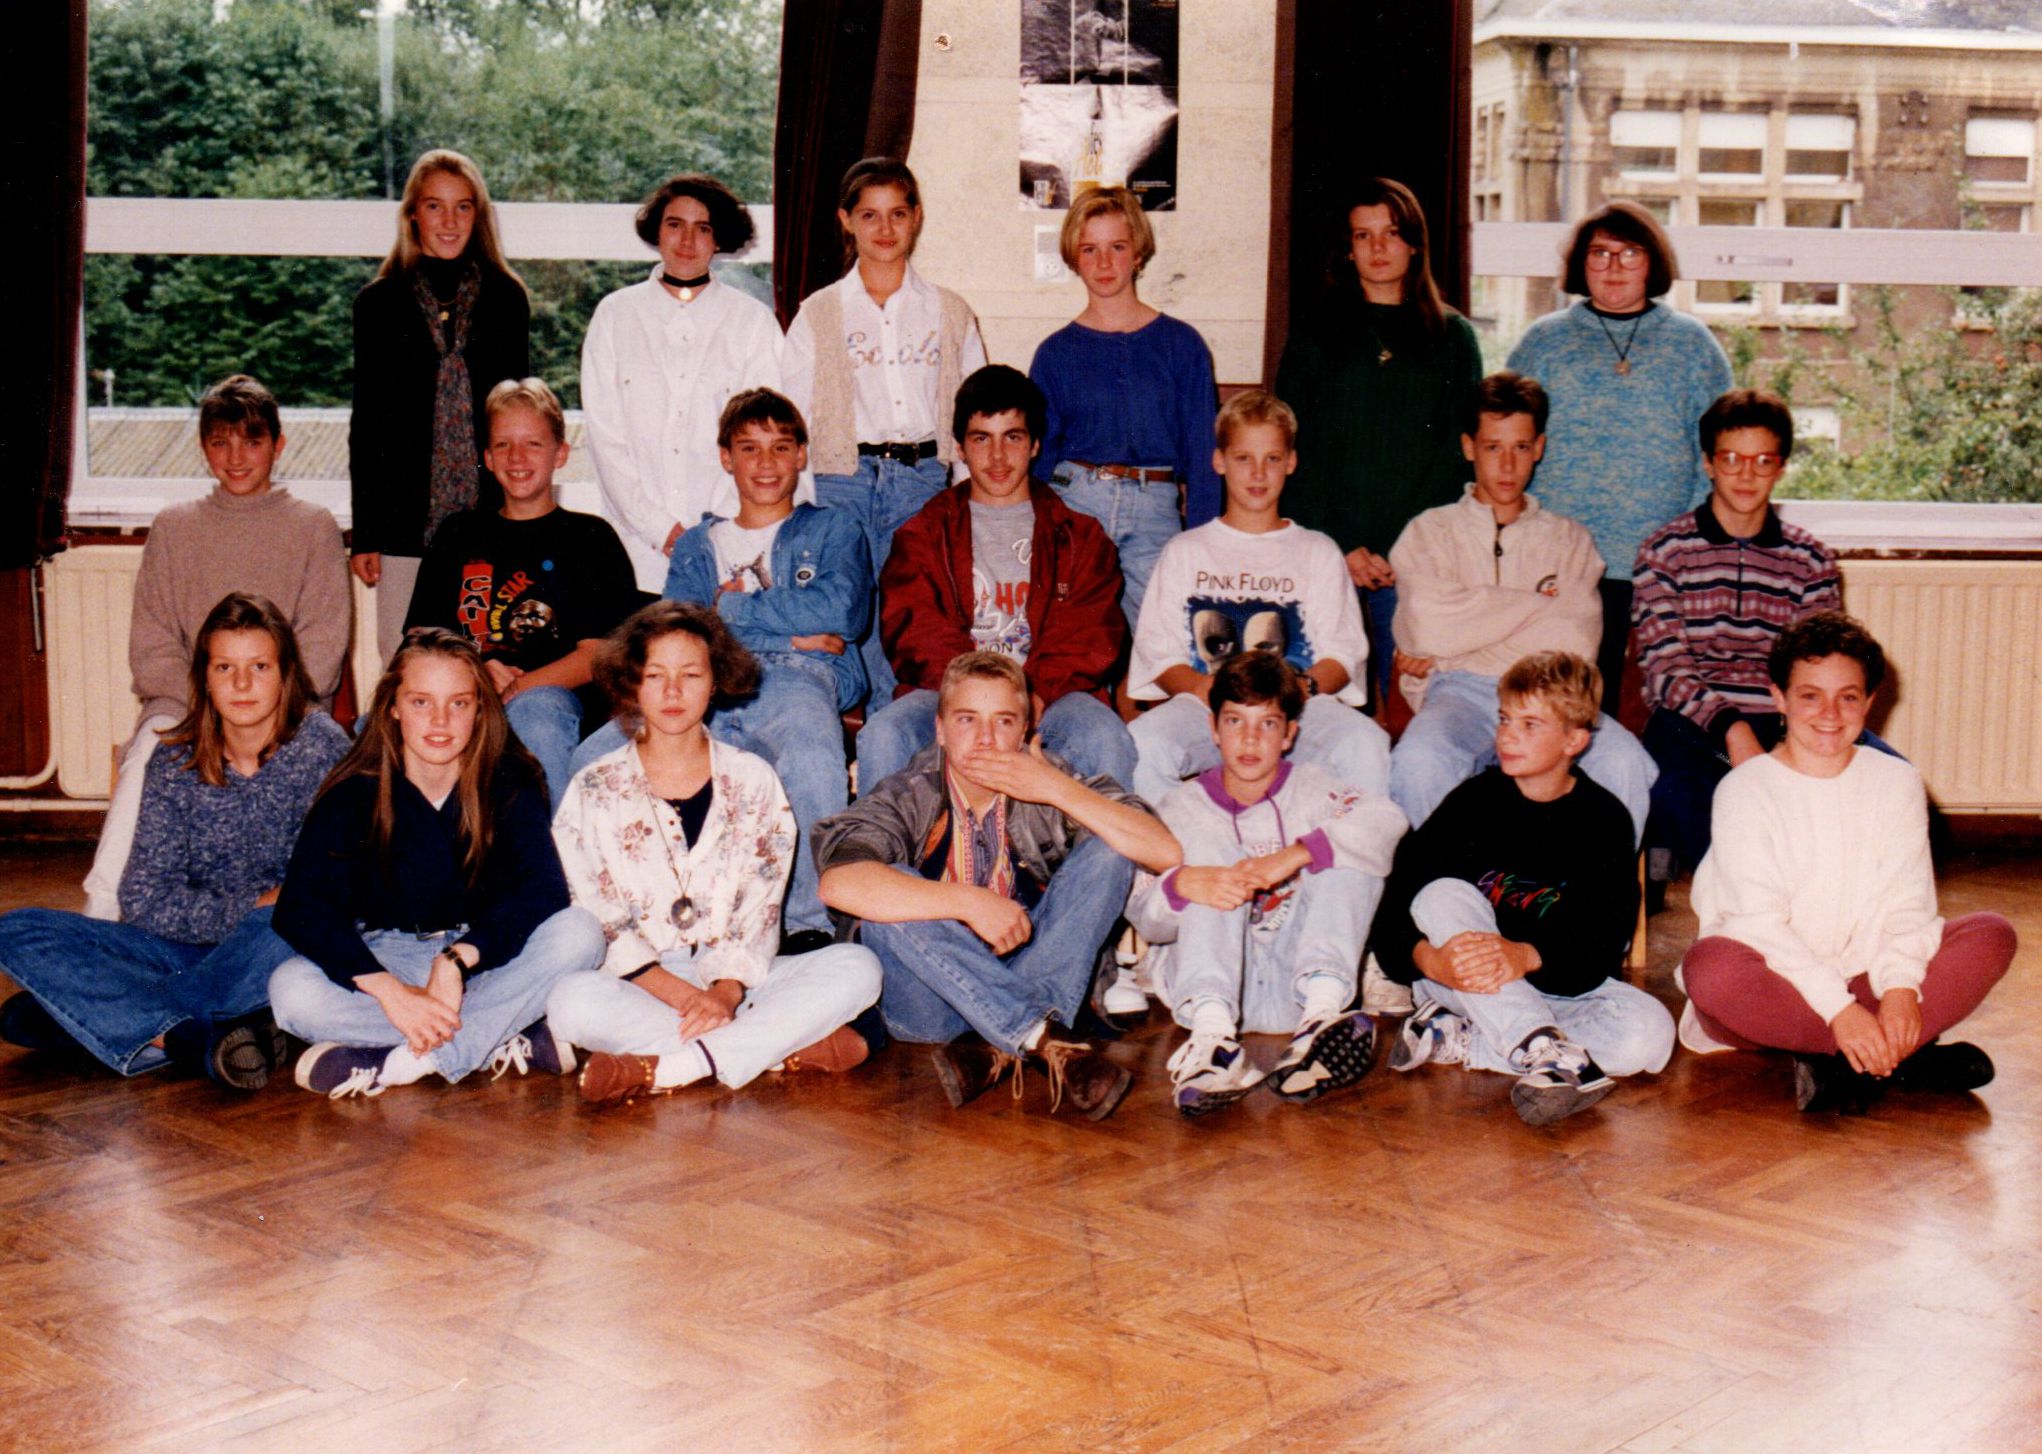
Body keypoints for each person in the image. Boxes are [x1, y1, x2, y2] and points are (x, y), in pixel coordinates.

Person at [0, 595, 350, 1089]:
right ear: (204, 677)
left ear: (285, 674)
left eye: (259, 666)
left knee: (293, 920)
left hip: (270, 947)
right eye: (225, 667)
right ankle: (198, 1031)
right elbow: (143, 899)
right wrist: (251, 904)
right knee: (16, 929)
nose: (242, 684)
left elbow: (329, 886)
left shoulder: (323, 748)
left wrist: (267, 911)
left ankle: (131, 1024)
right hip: (176, 952)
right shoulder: (174, 760)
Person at [815, 652, 1180, 1121]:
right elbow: (838, 883)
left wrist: (1056, 789)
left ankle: (996, 1045)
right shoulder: (909, 793)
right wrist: (969, 903)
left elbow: (1164, 851)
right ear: (940, 730)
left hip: (1030, 973)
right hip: (933, 1007)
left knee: (1111, 849)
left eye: (1003, 721)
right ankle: (1040, 1035)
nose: (985, 739)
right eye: (967, 720)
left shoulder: (1048, 779)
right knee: (887, 894)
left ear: (1025, 731)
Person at [546, 602, 884, 1103]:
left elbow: (761, 908)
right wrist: (690, 998)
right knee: (569, 1001)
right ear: (632, 683)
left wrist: (724, 993)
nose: (673, 691)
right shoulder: (593, 786)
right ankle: (772, 1050)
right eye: (655, 675)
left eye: (690, 674)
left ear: (716, 681)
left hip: (738, 980)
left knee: (858, 966)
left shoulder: (754, 779)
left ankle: (672, 1068)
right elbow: (597, 912)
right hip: (641, 984)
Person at [1678, 613, 2015, 1113]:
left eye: (1849, 697)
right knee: (1711, 970)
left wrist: (1899, 990)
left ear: (1870, 701)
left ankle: (1846, 1064)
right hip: (1774, 984)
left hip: (1866, 975)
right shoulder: (1745, 789)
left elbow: (1909, 904)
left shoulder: (1896, 781)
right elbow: (1756, 925)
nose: (1830, 714)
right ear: (1779, 698)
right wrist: (1839, 1012)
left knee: (1991, 933)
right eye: (1810, 695)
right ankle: (1897, 1059)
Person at [575, 389, 871, 946]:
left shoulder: (834, 529)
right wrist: (789, 628)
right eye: (749, 448)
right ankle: (614, 921)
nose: (766, 463)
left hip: (794, 675)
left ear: (801, 455)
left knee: (811, 753)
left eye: (780, 447)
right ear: (725, 457)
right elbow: (674, 634)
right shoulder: (696, 544)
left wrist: (728, 609)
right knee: (590, 757)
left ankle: (808, 924)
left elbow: (842, 612)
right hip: (701, 680)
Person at [268, 628, 605, 1098]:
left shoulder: (510, 778)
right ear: (393, 706)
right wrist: (392, 992)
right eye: (421, 702)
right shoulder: (354, 792)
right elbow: (301, 907)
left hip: (483, 958)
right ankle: (502, 1033)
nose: (440, 720)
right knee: (291, 992)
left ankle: (403, 1061)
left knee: (580, 933)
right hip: (391, 958)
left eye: (459, 703)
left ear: (480, 709)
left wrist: (456, 961)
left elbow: (542, 889)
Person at [82, 373, 349, 921]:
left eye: (252, 441)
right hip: (187, 706)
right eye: (220, 442)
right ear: (204, 447)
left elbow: (323, 651)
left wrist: (261, 701)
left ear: (278, 445)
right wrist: (212, 705)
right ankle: (103, 914)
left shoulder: (313, 526)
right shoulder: (174, 528)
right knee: (148, 757)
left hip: (286, 709)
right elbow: (152, 649)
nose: (236, 457)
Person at [1376, 652, 1675, 1126]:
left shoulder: (1603, 820)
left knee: (1651, 1033)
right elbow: (1394, 902)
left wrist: (1526, 956)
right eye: (1504, 719)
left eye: (1530, 724)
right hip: (1462, 981)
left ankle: (1462, 1038)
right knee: (1441, 895)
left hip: (1553, 988)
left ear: (1574, 740)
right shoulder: (1472, 802)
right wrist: (1427, 959)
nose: (1507, 736)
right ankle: (1541, 1047)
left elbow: (1601, 942)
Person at [1128, 652, 1407, 1118]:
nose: (1250, 739)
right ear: (1213, 729)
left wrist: (1298, 853)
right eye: (1235, 721)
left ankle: (1320, 1021)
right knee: (1208, 860)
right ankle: (1214, 1046)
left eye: (1268, 724)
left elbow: (1388, 819)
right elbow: (1145, 918)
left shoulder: (1315, 788)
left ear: (1290, 734)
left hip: (1299, 981)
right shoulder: (1177, 809)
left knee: (1350, 844)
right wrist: (1183, 885)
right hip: (1208, 990)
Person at [1385, 371, 1657, 842]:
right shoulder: (1429, 532)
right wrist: (1538, 605)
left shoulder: (1570, 540)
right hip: (1460, 694)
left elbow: (1575, 643)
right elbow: (1428, 628)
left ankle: (1595, 887)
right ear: (1469, 447)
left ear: (1540, 448)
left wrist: (1462, 638)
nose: (1507, 465)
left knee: (1625, 761)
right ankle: (1446, 886)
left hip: (1554, 697)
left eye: (1521, 447)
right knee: (1418, 760)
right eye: (1493, 447)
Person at [858, 364, 1136, 790]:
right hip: (949, 694)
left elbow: (1091, 637)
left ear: (1035, 444)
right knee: (883, 734)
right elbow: (915, 633)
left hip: (1050, 698)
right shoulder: (923, 534)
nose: (998, 457)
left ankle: (1099, 838)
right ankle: (880, 839)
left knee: (1107, 738)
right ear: (959, 448)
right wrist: (979, 696)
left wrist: (1029, 693)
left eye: (1013, 437)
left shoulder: (1079, 536)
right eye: (981, 439)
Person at [1506, 201, 1733, 713]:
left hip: (1662, 561)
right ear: (1580, 264)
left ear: (1652, 262)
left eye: (1629, 254)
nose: (1613, 266)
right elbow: (1506, 442)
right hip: (1562, 560)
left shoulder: (1693, 344)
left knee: (1660, 706)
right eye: (1599, 253)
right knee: (1566, 705)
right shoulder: (1544, 341)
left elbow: (1718, 451)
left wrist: (1689, 538)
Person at [782, 156, 989, 704]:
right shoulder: (820, 312)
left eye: (897, 213)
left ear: (916, 217)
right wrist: (802, 501)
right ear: (846, 221)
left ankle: (896, 726)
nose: (885, 229)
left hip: (922, 479)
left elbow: (972, 411)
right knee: (851, 607)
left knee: (911, 608)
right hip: (842, 480)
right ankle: (859, 726)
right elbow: (794, 415)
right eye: (869, 215)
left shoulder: (949, 311)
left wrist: (966, 492)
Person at [1126, 388, 1391, 809]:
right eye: (1243, 458)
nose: (1258, 473)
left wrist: (1301, 687)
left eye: (1272, 459)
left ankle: (1344, 848)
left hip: (1296, 708)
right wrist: (1200, 687)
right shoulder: (1186, 550)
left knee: (1365, 742)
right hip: (1209, 707)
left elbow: (1343, 653)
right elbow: (1158, 651)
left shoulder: (1318, 550)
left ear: (1291, 462)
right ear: (1219, 461)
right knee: (1141, 743)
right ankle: (1175, 847)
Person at [1274, 179, 1484, 702]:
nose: (1378, 247)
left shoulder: (1454, 337)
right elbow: (1293, 449)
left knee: (1410, 701)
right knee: (1317, 702)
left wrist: (1402, 550)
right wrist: (1341, 544)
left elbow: (1457, 457)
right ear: (1348, 249)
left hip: (1417, 556)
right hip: (1326, 549)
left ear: (1414, 243)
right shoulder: (1315, 333)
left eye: (1391, 233)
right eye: (1363, 236)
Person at [1632, 388, 1852, 877]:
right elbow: (1667, 671)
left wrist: (1789, 740)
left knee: (1888, 778)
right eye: (1731, 459)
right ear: (1708, 463)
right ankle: (1739, 897)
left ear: (1782, 466)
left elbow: (1819, 668)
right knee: (1680, 792)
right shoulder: (1664, 552)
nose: (1747, 475)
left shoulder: (1810, 560)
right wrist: (1733, 730)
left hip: (1786, 719)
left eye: (1762, 461)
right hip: (1694, 724)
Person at [404, 377, 638, 807]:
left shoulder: (590, 538)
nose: (517, 457)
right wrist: (477, 674)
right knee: (373, 724)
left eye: (533, 444)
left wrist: (517, 687)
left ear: (560, 453)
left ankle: (551, 848)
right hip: (459, 692)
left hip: (552, 701)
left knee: (537, 713)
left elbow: (597, 654)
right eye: (503, 445)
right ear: (487, 457)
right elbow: (420, 638)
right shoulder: (456, 533)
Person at [350, 149, 531, 662]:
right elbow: (368, 426)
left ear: (478, 216)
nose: (449, 222)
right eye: (435, 206)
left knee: (486, 655)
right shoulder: (379, 304)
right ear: (413, 214)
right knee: (404, 659)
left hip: (488, 517)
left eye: (462, 207)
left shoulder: (506, 299)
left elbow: (517, 417)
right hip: (404, 521)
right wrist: (367, 533)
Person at [580, 173, 786, 594]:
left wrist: (714, 534)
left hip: (728, 551)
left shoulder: (752, 322)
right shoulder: (615, 315)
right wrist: (661, 530)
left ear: (718, 238)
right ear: (657, 231)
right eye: (675, 224)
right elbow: (605, 440)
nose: (688, 240)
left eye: (703, 228)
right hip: (635, 549)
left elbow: (763, 440)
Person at [1028, 185, 1222, 628]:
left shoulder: (1182, 345)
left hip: (1155, 507)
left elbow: (1203, 453)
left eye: (1117, 247)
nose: (1104, 263)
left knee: (1168, 635)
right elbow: (1040, 458)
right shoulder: (1055, 353)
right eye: (1090, 249)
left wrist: (1205, 539)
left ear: (1137, 253)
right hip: (1077, 503)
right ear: (1074, 258)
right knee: (1075, 636)